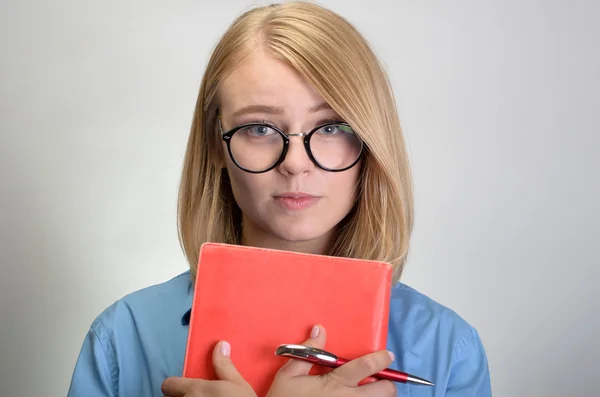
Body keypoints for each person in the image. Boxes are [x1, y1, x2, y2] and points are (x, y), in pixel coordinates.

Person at [67, 2, 492, 396]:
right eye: (260, 128)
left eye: (331, 128)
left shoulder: (448, 349)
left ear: (372, 144)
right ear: (216, 146)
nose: (294, 163)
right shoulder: (122, 340)